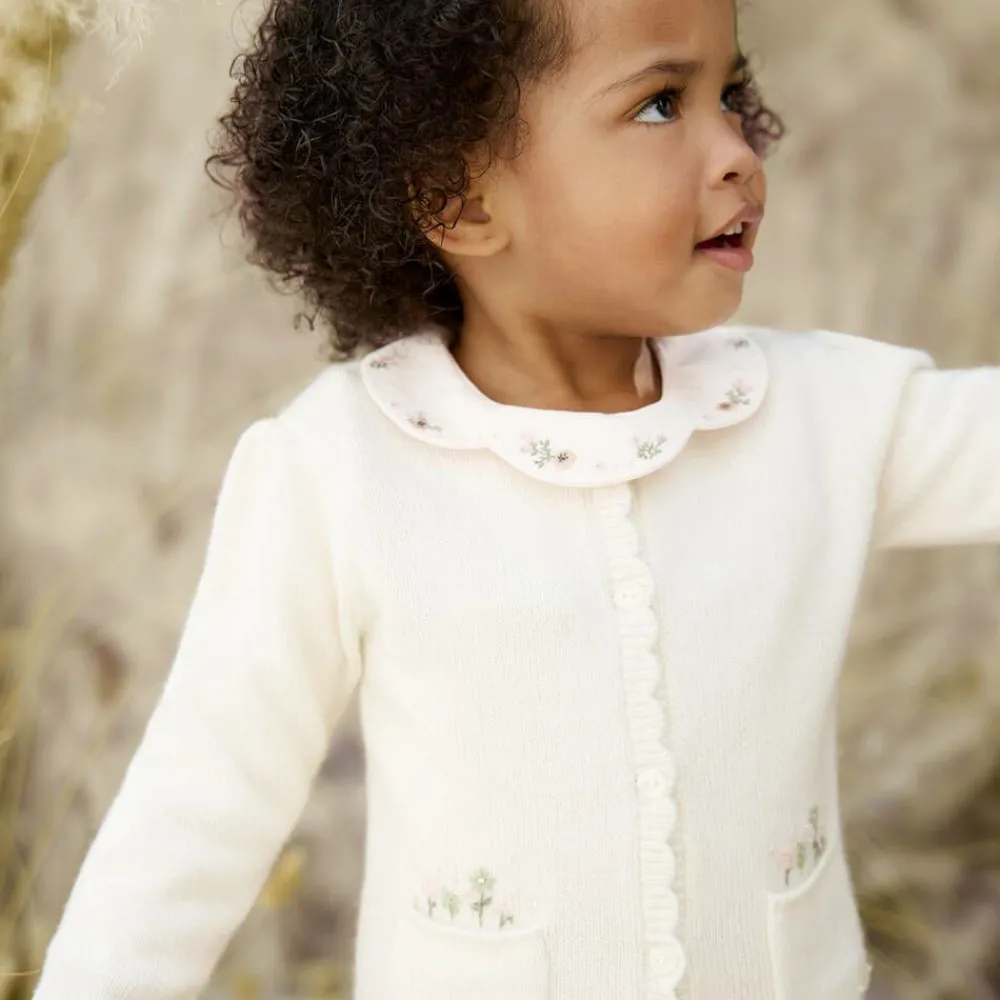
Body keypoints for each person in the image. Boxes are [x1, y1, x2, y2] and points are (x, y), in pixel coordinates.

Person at [31, 0, 1000, 997]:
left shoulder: (816, 419)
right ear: (458, 200)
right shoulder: (342, 472)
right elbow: (192, 819)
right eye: (661, 105)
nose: (736, 154)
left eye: (731, 93)